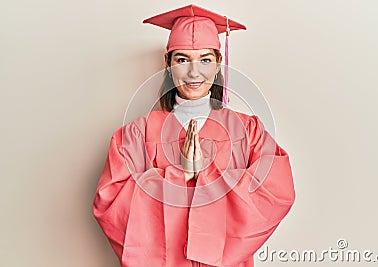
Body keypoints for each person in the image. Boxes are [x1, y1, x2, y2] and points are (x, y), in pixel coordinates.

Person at [92, 4, 295, 267]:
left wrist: (204, 175)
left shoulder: (248, 131)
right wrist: (181, 175)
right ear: (167, 63)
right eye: (182, 59)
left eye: (205, 60)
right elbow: (110, 202)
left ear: (218, 62)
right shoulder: (134, 135)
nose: (194, 72)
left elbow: (276, 193)